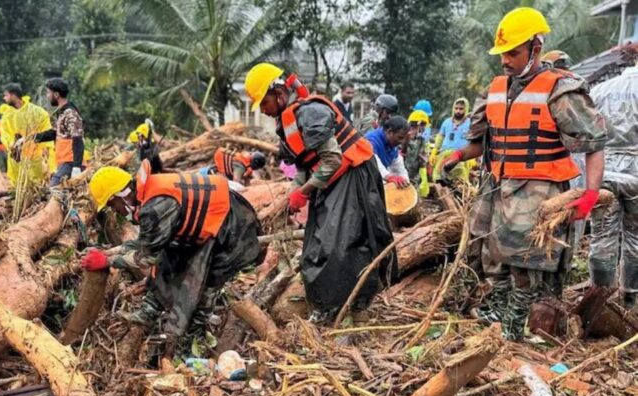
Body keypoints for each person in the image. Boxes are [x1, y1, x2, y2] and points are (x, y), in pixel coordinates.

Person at [441, 7, 607, 340]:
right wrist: (458, 155)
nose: (505, 60)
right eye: (502, 53)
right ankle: (498, 318)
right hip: (497, 187)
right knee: (491, 259)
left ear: (536, 47)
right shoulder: (496, 89)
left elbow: (595, 144)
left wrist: (589, 195)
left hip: (539, 191)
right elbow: (481, 142)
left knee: (526, 266)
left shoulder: (559, 90)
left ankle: (515, 328)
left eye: (513, 52)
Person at [244, 62, 395, 323]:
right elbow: (305, 163)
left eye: (264, 103)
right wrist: (294, 194)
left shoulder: (311, 113)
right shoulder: (288, 120)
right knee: (316, 242)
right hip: (333, 179)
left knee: (339, 244)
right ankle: (328, 304)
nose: (264, 110)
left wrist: (304, 191)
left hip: (354, 174)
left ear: (278, 92)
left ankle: (348, 306)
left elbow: (332, 160)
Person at [80, 161, 262, 358]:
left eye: (112, 205)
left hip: (232, 229)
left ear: (120, 196)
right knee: (169, 257)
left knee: (204, 287)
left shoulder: (156, 207)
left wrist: (107, 262)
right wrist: (108, 253)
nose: (115, 211)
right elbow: (147, 243)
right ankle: (149, 311)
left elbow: (146, 257)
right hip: (210, 225)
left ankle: (191, 348)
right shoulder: (147, 194)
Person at [588, 65, 638, 308]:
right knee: (635, 238)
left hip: (603, 171)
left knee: (601, 236)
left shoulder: (600, 90)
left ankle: (600, 299)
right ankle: (630, 297)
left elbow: (588, 132)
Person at [0, 83, 53, 185]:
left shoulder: (37, 112)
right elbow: (4, 133)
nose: (4, 98)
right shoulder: (7, 115)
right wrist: (11, 143)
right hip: (17, 156)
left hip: (35, 155)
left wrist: (46, 147)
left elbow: (46, 129)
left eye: (6, 95)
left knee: (37, 185)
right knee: (18, 184)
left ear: (13, 96)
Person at [34, 78, 85, 186]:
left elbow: (78, 139)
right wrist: (32, 138)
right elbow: (54, 133)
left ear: (56, 94)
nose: (47, 96)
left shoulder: (70, 113)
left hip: (70, 162)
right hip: (64, 162)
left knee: (54, 188)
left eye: (49, 92)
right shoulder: (62, 113)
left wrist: (76, 166)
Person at [429, 97, 474, 183]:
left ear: (466, 109)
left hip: (461, 157)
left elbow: (473, 141)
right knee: (439, 179)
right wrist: (434, 152)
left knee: (460, 182)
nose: (458, 111)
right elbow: (440, 138)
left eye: (461, 109)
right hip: (444, 156)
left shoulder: (470, 123)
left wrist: (472, 158)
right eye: (456, 108)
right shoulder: (446, 122)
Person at [364, 116, 411, 188]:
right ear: (389, 132)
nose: (402, 142)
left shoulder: (392, 147)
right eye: (400, 138)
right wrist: (389, 177)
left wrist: (406, 184)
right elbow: (374, 163)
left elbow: (400, 169)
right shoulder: (371, 141)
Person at [402, 110, 430, 186]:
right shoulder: (402, 137)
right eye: (423, 125)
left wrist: (424, 160)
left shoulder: (422, 140)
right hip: (401, 175)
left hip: (413, 177)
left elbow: (423, 162)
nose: (424, 128)